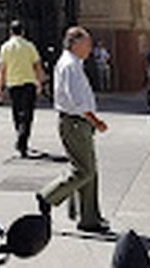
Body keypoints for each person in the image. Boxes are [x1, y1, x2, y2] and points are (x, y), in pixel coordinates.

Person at [37, 26, 111, 235]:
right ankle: (47, 196)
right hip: (75, 122)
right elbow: (77, 102)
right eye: (87, 43)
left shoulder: (74, 63)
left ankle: (90, 218)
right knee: (83, 171)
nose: (90, 48)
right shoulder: (70, 65)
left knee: (90, 171)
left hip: (79, 123)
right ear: (75, 43)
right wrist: (95, 121)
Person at [0, 19, 46, 157]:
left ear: (10, 32)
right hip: (29, 84)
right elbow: (37, 66)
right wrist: (40, 82)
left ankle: (20, 137)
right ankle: (22, 141)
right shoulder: (29, 46)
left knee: (17, 113)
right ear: (22, 32)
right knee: (27, 115)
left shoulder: (5, 47)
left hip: (13, 84)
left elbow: (2, 69)